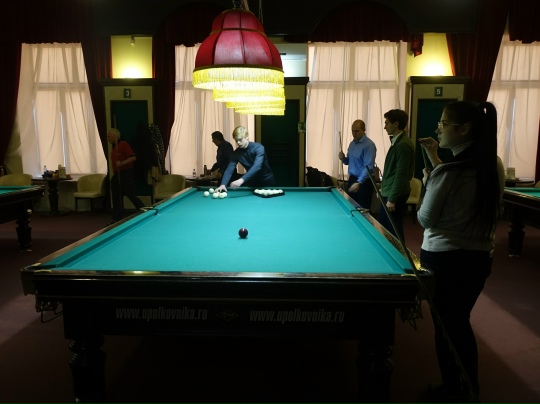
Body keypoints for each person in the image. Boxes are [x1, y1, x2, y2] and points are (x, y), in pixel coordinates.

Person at [417, 101, 502, 404]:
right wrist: (434, 160)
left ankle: (456, 389)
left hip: (444, 260)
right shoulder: (492, 164)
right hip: (479, 259)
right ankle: (465, 384)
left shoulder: (447, 173)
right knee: (459, 322)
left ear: (463, 129)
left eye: (443, 123)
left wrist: (428, 181)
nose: (438, 128)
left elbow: (425, 218)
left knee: (447, 328)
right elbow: (458, 179)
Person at [378, 109, 415, 241]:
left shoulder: (402, 145)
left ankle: (399, 253)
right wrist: (384, 189)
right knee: (385, 226)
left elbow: (401, 174)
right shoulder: (398, 141)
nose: (385, 127)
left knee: (393, 229)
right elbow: (393, 172)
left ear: (396, 124)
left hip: (395, 194)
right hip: (390, 191)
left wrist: (392, 199)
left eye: (387, 123)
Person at [216, 126, 275, 191]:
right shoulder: (236, 153)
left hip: (266, 180)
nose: (238, 142)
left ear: (247, 137)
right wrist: (223, 184)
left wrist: (241, 180)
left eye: (240, 139)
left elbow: (257, 166)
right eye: (236, 140)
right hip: (252, 181)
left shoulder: (258, 148)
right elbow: (229, 169)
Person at [107, 128, 144, 223]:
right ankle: (117, 219)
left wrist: (122, 163)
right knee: (116, 198)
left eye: (109, 136)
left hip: (125, 174)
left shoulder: (123, 144)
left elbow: (133, 158)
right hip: (117, 175)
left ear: (115, 136)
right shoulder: (114, 147)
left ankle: (144, 212)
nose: (108, 138)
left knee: (131, 195)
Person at [338, 119, 377, 210]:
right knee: (351, 208)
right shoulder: (352, 144)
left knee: (362, 210)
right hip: (352, 180)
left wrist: (359, 182)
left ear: (364, 130)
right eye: (352, 131)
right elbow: (349, 162)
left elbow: (368, 167)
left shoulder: (369, 145)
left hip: (364, 182)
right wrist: (343, 158)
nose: (354, 134)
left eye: (357, 131)